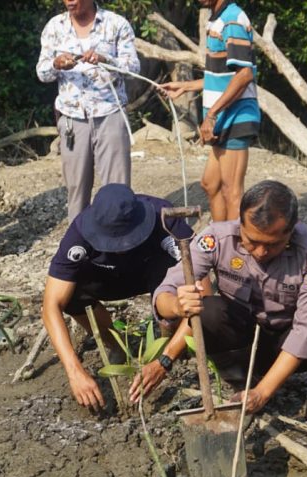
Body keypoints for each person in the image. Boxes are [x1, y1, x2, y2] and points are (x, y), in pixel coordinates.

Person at [133, 180, 307, 438]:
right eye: (252, 241)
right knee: (210, 309)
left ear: (291, 232)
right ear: (241, 224)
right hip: (244, 346)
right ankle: (243, 389)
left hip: (296, 345)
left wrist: (264, 393)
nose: (260, 252)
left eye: (272, 244)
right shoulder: (216, 238)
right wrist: (175, 305)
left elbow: (305, 330)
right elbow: (166, 290)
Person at [43, 183, 193, 411]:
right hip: (108, 277)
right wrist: (75, 372)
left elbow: (200, 292)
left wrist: (165, 361)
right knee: (71, 295)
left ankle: (173, 344)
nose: (121, 247)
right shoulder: (79, 232)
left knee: (179, 295)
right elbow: (50, 305)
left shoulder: (164, 218)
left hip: (155, 274)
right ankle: (116, 345)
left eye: (127, 239)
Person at [37, 0, 140, 221]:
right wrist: (56, 64)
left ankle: (121, 242)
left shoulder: (116, 24)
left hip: (110, 114)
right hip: (73, 119)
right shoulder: (54, 26)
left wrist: (105, 59)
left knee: (117, 188)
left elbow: (133, 68)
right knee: (76, 188)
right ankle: (79, 247)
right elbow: (42, 73)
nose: (69, 1)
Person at [159, 0, 260, 222]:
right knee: (210, 184)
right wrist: (185, 86)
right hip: (223, 115)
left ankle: (234, 252)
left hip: (236, 116)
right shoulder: (216, 19)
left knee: (232, 191)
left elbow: (244, 75)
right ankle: (219, 240)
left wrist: (211, 115)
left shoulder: (232, 20)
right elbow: (220, 77)